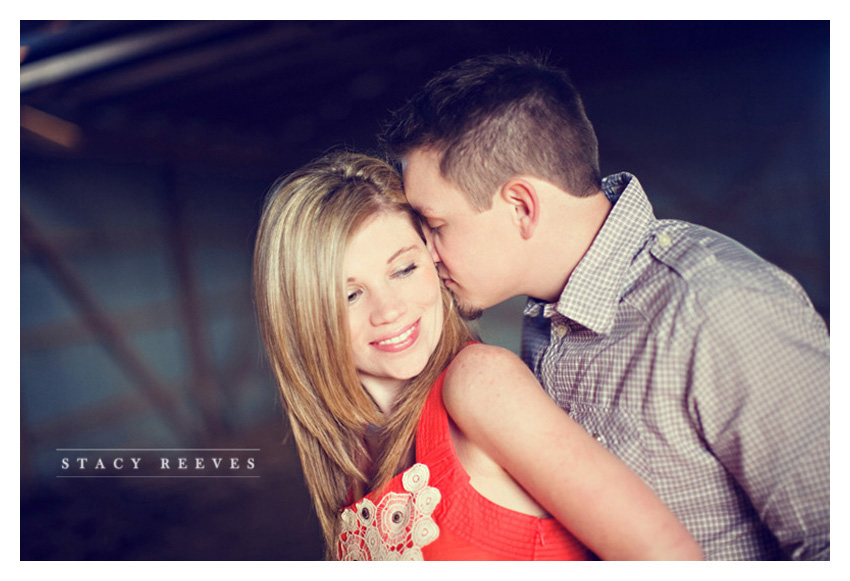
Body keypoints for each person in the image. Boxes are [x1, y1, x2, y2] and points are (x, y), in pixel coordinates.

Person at [379, 53, 830, 560]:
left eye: (435, 225)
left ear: (521, 207)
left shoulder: (717, 308)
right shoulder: (549, 317)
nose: (427, 252)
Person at [253, 150, 702, 561]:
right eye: (350, 295)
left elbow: (671, 559)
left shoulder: (480, 384)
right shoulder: (355, 458)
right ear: (303, 319)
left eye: (404, 269)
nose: (389, 310)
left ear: (433, 261)